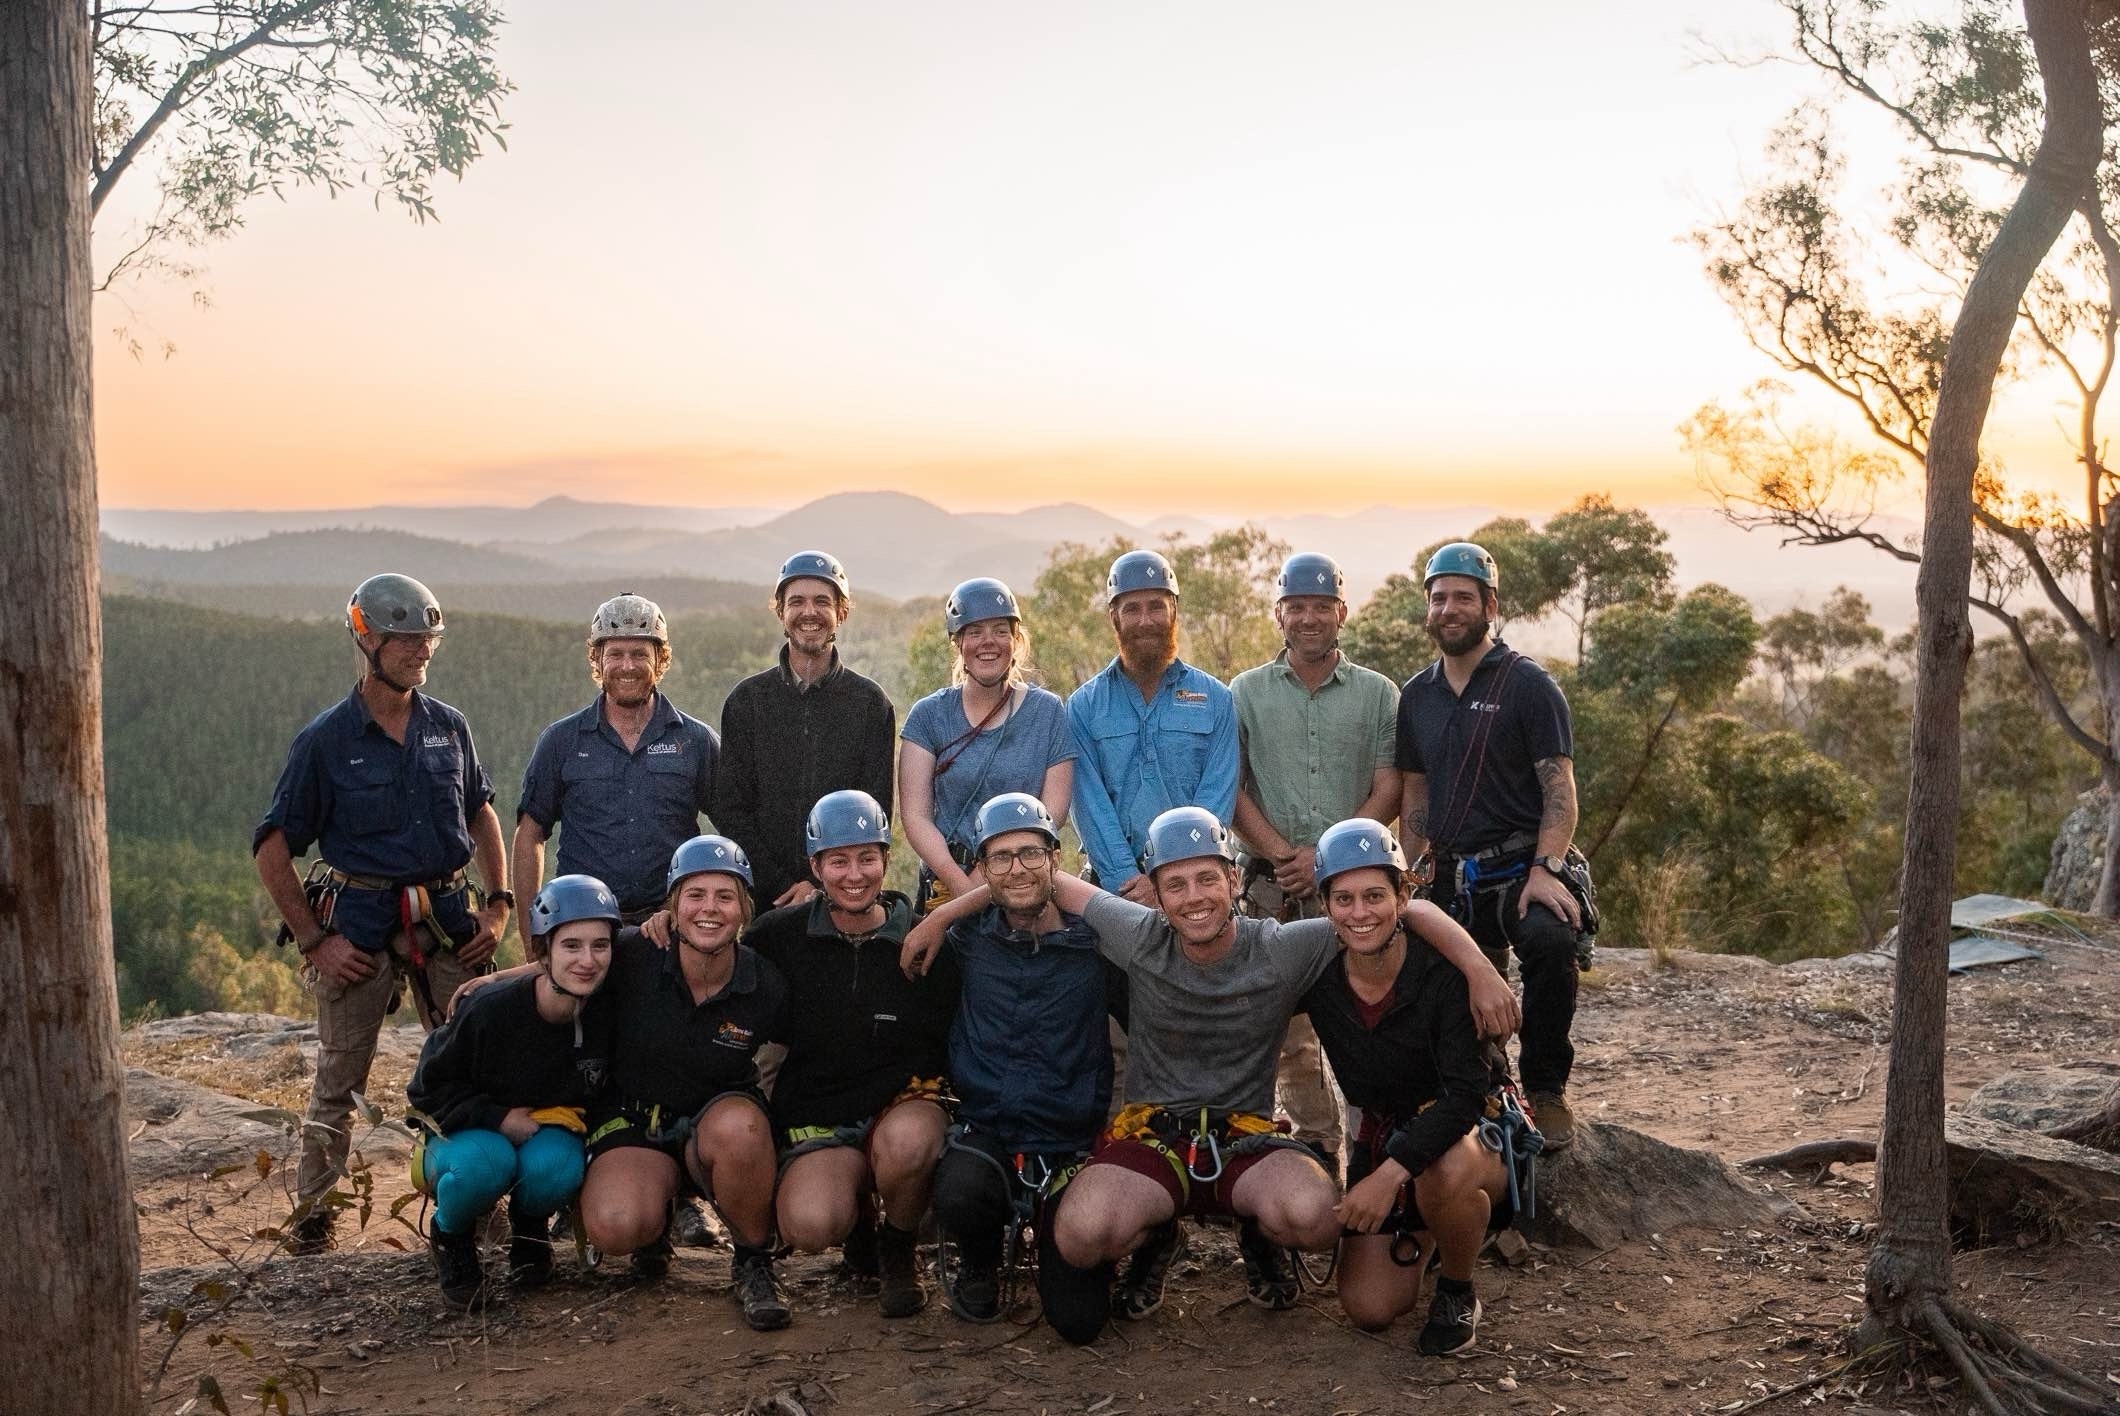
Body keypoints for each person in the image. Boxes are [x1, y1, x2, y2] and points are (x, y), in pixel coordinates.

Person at [903, 806, 1518, 1344]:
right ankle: (1156, 1236)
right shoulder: (1137, 935)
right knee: (1083, 1233)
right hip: (1154, 1135)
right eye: (1176, 884)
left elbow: (1396, 914)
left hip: (1245, 1136)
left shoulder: (1283, 946)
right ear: (1156, 895)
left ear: (1232, 881)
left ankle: (1261, 1235)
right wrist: (941, 917)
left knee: (1313, 1217)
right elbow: (1031, 875)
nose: (1194, 897)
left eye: (1207, 879)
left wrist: (1479, 968)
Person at [254, 573, 514, 1253]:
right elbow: (274, 848)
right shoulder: (327, 740)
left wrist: (498, 903)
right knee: (340, 1076)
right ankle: (314, 1218)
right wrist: (314, 942)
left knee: (474, 1064)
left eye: (426, 638)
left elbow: (480, 810)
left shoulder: (447, 727)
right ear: (367, 640)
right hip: (360, 923)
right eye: (404, 638)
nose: (419, 650)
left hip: (447, 914)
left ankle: (479, 1204)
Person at [1300, 819, 1525, 1356]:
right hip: (1382, 1132)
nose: (1361, 914)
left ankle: (1457, 1286)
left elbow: (1465, 1098)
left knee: (1441, 1170)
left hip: (1470, 1131)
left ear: (1404, 896)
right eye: (1345, 899)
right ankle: (1437, 1235)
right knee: (1369, 1308)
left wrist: (1388, 1177)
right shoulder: (1319, 979)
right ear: (1326, 905)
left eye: (1376, 895)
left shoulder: (1445, 973)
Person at [1396, 542, 1592, 1149]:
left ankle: (1546, 1088)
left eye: (1462, 597)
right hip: (1450, 871)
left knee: (1549, 940)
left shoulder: (1529, 685)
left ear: (1490, 605)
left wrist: (1547, 870)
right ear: (1428, 609)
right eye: (1439, 598)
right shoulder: (1417, 695)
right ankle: (1482, 1085)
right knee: (1443, 980)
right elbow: (1415, 787)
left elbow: (1558, 787)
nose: (1449, 608)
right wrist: (1414, 867)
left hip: (1519, 867)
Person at [747, 790, 961, 1318]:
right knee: (811, 1224)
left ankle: (898, 1243)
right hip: (821, 1113)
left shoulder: (923, 942)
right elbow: (713, 958)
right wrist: (663, 926)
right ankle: (858, 1221)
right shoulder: (781, 937)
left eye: (867, 857)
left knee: (911, 1145)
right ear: (815, 867)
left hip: (902, 1104)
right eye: (838, 860)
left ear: (887, 860)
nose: (854, 874)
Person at [1229, 551, 1401, 1176]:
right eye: (1296, 606)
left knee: (1368, 1017)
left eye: (1321, 607)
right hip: (1272, 884)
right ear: (1280, 613)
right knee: (1288, 1028)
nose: (1308, 618)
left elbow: (1388, 790)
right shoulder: (1243, 693)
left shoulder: (1380, 695)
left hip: (1356, 883)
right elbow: (1233, 787)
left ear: (1341, 614)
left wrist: (1328, 857)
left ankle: (1380, 1147)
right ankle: (1317, 1148)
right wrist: (1282, 854)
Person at [576, 836, 792, 1330]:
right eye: (695, 895)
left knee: (742, 1128)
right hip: (637, 1123)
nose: (709, 909)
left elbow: (798, 1052)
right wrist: (492, 983)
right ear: (673, 905)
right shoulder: (634, 953)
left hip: (715, 1126)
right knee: (615, 1227)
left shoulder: (766, 985)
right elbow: (571, 972)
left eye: (725, 896)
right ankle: (656, 1218)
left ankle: (753, 1259)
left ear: (744, 909)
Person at [926, 793, 1114, 1338]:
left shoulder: (1098, 947)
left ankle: (1131, 1246)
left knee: (1078, 1324)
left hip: (1073, 1142)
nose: (1019, 868)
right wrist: (939, 916)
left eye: (1032, 853)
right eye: (1002, 857)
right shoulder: (965, 943)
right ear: (982, 870)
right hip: (990, 1132)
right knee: (960, 1187)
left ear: (1057, 860)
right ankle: (979, 1260)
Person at [405, 874, 617, 1310]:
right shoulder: (490, 1011)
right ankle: (451, 1236)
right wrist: (498, 1118)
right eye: (571, 946)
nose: (588, 960)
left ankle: (529, 1230)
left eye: (601, 945)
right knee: (486, 1164)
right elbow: (428, 1089)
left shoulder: (605, 1012)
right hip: (463, 1134)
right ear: (542, 952)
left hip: (543, 1128)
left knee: (557, 1167)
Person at [513, 593, 720, 924]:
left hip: (670, 925)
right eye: (615, 654)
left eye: (640, 654)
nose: (627, 666)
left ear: (661, 659)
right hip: (583, 924)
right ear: (597, 660)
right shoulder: (561, 741)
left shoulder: (695, 740)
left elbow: (735, 823)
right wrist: (532, 934)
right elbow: (529, 835)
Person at [713, 552, 897, 908]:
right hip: (766, 900)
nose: (809, 612)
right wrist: (783, 885)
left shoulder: (870, 704)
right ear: (781, 612)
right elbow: (733, 810)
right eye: (796, 601)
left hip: (843, 896)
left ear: (841, 613)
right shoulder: (747, 702)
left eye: (822, 602)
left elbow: (875, 813)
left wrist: (819, 884)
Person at [1066, 550, 1239, 904]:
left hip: (1198, 890)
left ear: (1174, 611)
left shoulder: (1216, 699)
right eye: (1132, 609)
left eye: (1156, 606)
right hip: (1116, 892)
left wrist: (1172, 880)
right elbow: (1090, 807)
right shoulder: (1083, 706)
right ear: (1114, 617)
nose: (1146, 620)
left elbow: (1215, 800)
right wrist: (1129, 881)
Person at [898, 578, 1075, 916]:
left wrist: (996, 875)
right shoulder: (928, 716)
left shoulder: (1048, 711)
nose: (988, 642)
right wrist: (964, 890)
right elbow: (916, 817)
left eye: (1000, 630)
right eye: (975, 632)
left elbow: (1054, 811)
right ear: (958, 643)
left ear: (1015, 640)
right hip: (947, 883)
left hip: (1026, 882)